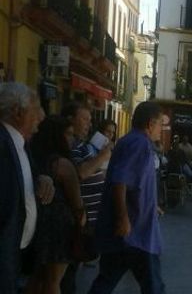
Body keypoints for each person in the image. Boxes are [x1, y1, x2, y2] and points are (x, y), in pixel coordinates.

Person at [88, 101, 165, 294]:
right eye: (159, 125)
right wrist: (123, 218)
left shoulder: (128, 141)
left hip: (128, 232)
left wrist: (149, 204)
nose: (160, 131)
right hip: (136, 233)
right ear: (150, 124)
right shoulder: (140, 144)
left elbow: (132, 182)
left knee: (106, 281)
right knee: (154, 287)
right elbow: (120, 181)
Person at [0, 82, 54, 293]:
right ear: (16, 112)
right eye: (36, 108)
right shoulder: (3, 145)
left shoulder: (20, 144)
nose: (41, 116)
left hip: (16, 256)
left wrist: (41, 178)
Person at [26, 116, 86, 294]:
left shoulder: (34, 157)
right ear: (56, 136)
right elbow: (76, 201)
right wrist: (82, 220)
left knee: (38, 278)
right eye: (68, 134)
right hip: (60, 229)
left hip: (39, 226)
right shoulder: (63, 164)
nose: (72, 138)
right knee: (54, 281)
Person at [60, 103, 112, 294]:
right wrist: (104, 156)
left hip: (89, 219)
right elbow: (80, 172)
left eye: (90, 120)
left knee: (74, 267)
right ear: (71, 121)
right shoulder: (71, 146)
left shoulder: (84, 145)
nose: (89, 125)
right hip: (79, 219)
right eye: (84, 119)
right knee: (67, 271)